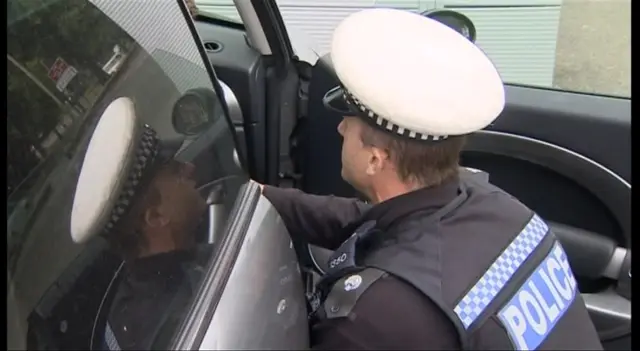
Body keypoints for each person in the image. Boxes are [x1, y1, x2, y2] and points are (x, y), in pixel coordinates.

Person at [260, 8, 603, 350]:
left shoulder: (379, 316)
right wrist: (251, 194)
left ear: (375, 159)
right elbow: (362, 221)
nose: (340, 127)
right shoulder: (499, 209)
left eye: (349, 123)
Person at [70, 97, 209, 350]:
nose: (189, 167)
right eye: (176, 171)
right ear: (155, 217)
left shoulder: (127, 309)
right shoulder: (183, 316)